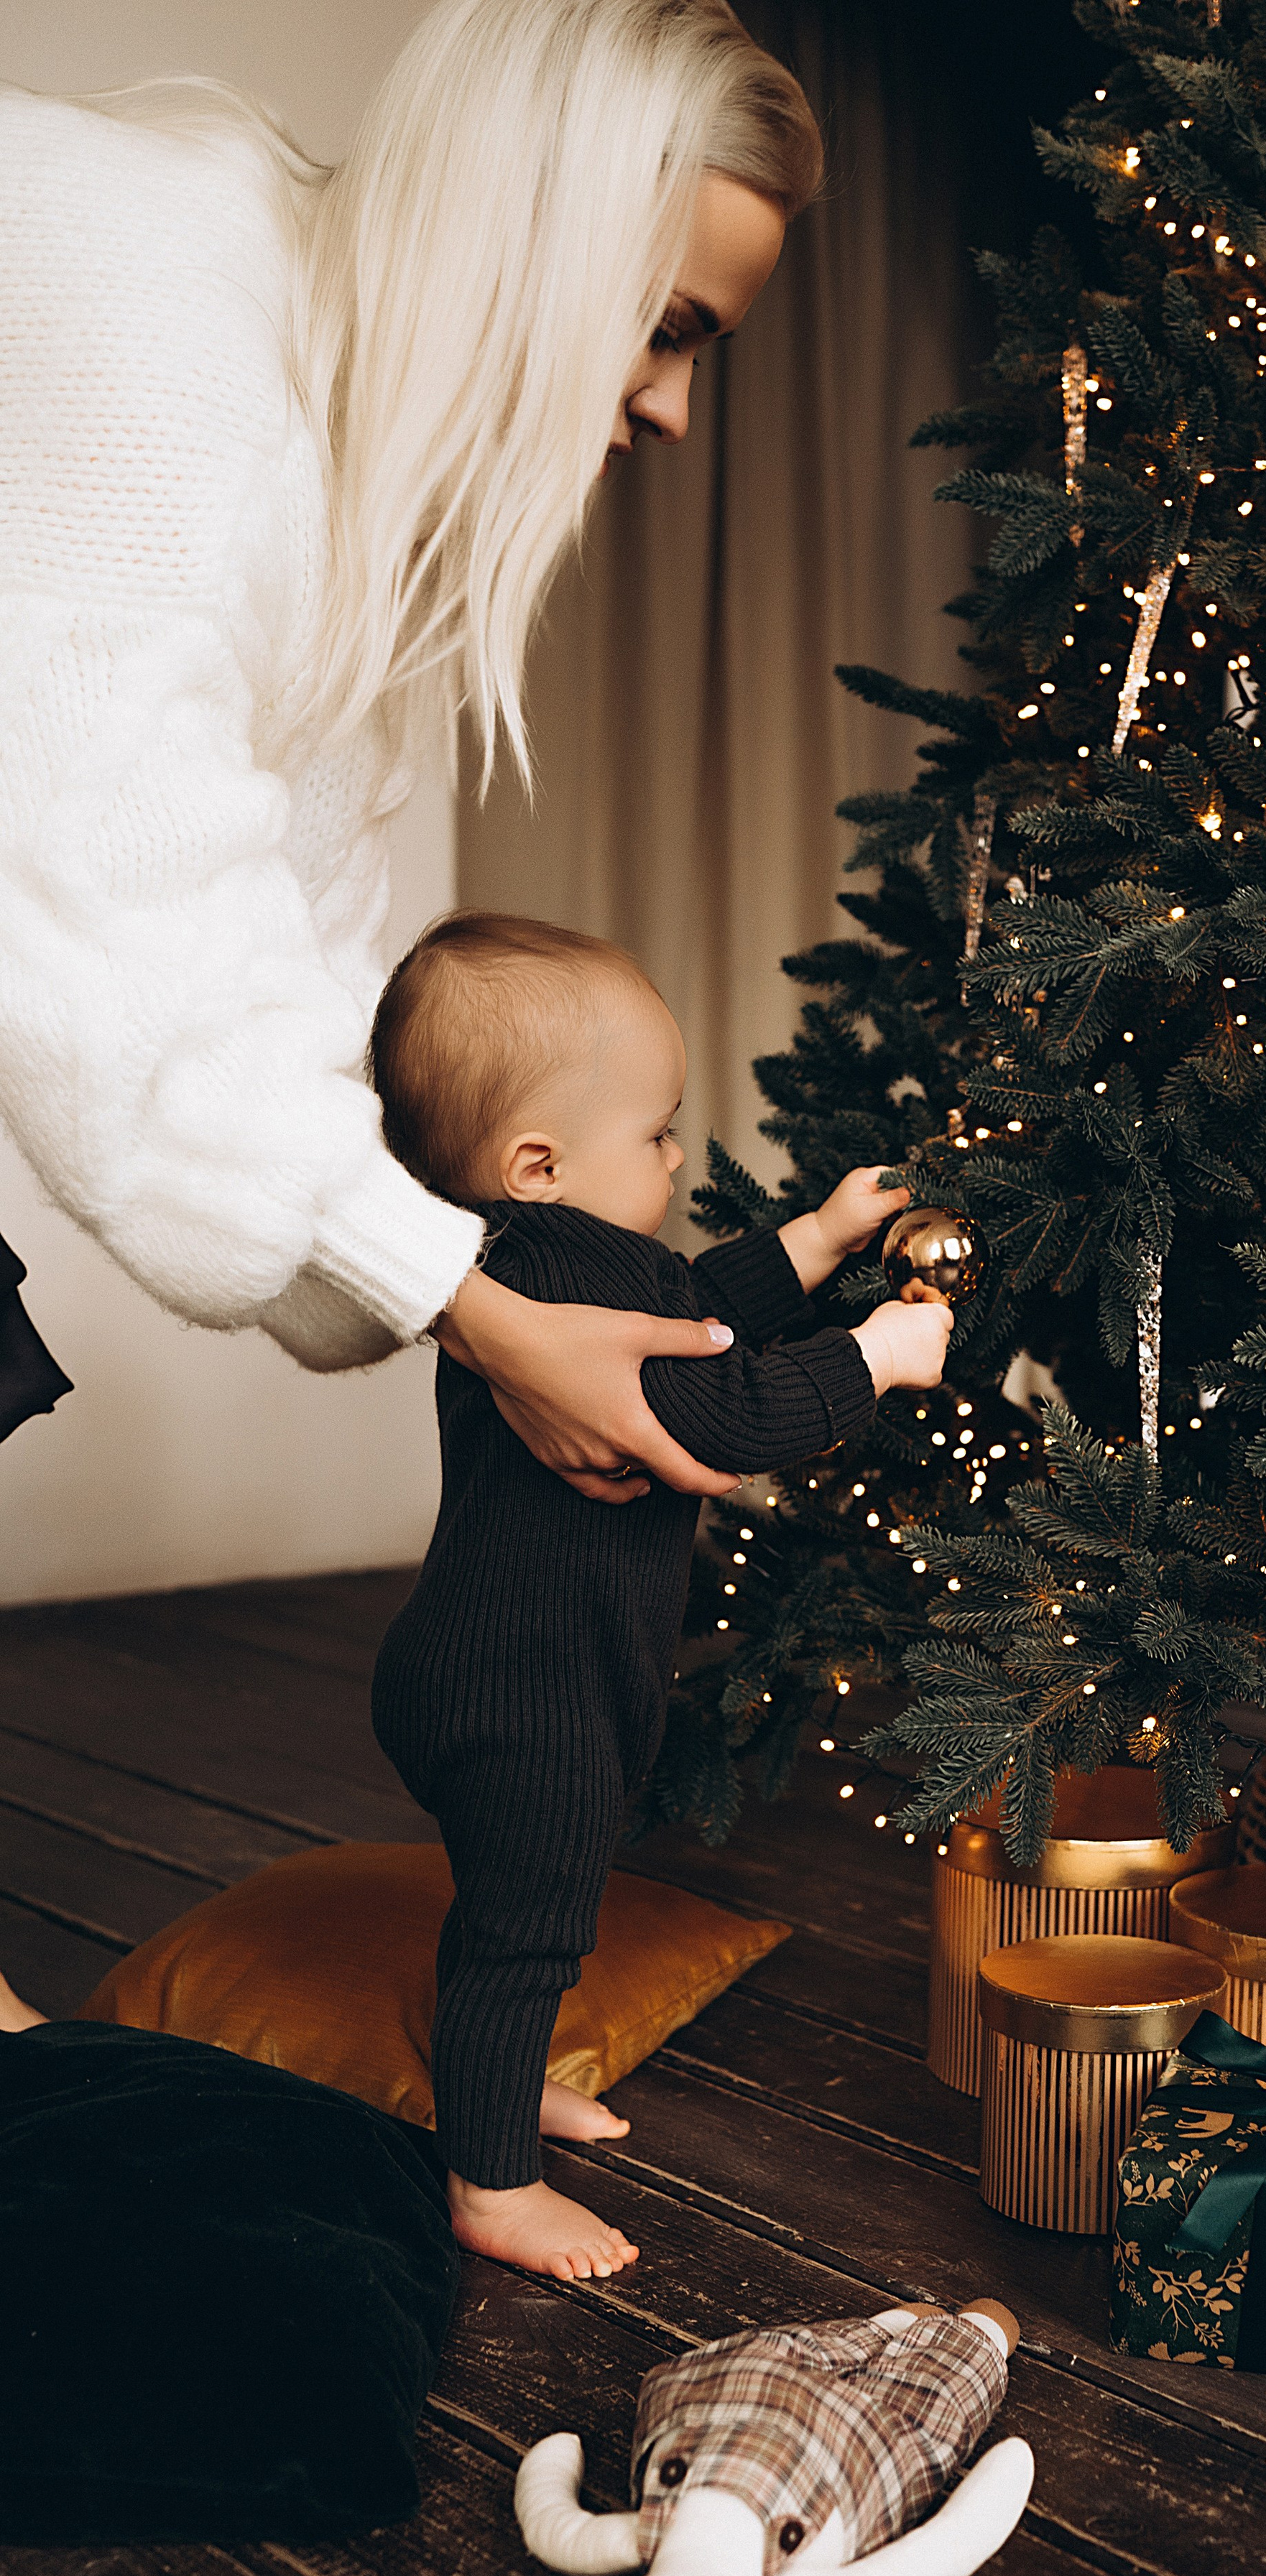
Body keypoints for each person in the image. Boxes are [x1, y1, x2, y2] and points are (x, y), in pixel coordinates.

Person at [0, 0, 822, 1502]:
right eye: (661, 330)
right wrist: (490, 1319)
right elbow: (130, 983)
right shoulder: (162, 325)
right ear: (531, 241)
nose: (674, 412)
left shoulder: (333, 462)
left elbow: (286, 969)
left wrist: (491, 1291)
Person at [366, 914, 953, 2279]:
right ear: (540, 1162)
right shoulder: (568, 1272)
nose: (682, 1156)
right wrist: (876, 1354)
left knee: (527, 1905)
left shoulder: (528, 1264)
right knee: (528, 1925)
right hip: (528, 1689)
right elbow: (728, 1402)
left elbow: (697, 1302)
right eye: (660, 1134)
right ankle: (489, 2183)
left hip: (484, 1662)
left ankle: (492, 2094)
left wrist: (812, 1238)